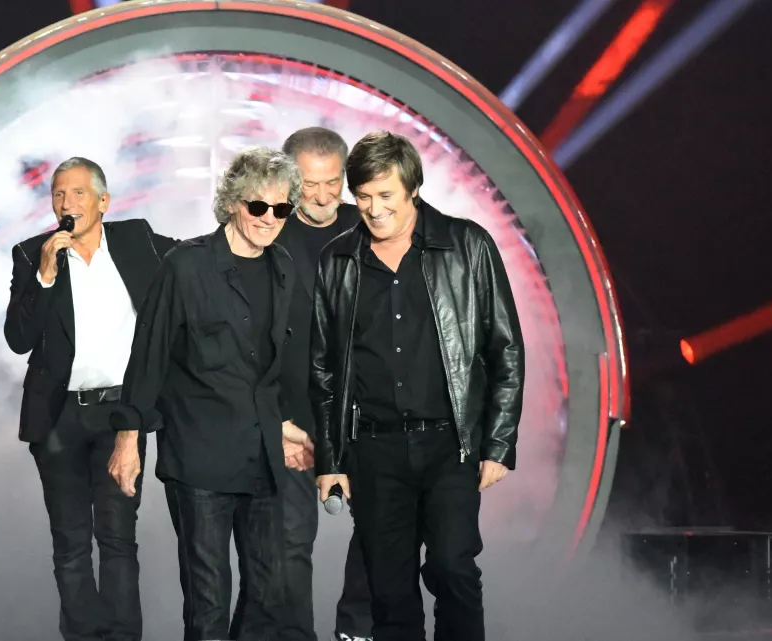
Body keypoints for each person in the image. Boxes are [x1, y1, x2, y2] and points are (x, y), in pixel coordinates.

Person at [310, 131, 525, 641]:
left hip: (450, 445)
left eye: (385, 194)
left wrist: (498, 444)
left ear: (413, 188)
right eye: (363, 196)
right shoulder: (337, 260)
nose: (373, 208)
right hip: (374, 450)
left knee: (453, 569)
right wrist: (331, 460)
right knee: (389, 593)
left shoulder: (467, 245)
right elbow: (322, 369)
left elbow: (506, 350)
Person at [107, 147, 315, 641]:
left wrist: (284, 422)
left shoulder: (283, 267)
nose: (269, 218)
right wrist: (128, 438)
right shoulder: (185, 266)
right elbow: (149, 354)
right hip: (199, 458)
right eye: (258, 206)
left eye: (281, 208)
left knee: (268, 592)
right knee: (208, 603)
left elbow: (271, 367)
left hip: (260, 454)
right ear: (233, 203)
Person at [3, 157, 177, 641]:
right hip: (58, 417)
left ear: (103, 201)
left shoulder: (137, 239)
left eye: (78, 193)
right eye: (58, 194)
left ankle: (122, 635)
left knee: (118, 536)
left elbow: (196, 260)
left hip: (121, 414)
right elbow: (18, 338)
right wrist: (44, 276)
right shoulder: (32, 254)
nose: (67, 203)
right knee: (70, 541)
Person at [230, 127, 371, 641]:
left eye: (333, 183)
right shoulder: (265, 231)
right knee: (288, 544)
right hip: (290, 418)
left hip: (361, 416)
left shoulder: (369, 226)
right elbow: (242, 339)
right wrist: (276, 422)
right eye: (310, 185)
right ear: (290, 180)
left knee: (384, 529)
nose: (323, 195)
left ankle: (358, 630)